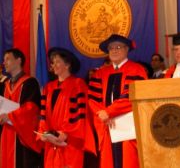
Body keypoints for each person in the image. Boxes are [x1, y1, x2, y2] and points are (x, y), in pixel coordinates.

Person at [88, 34, 148, 168]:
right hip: (107, 125)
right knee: (109, 161)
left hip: (128, 127)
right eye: (111, 48)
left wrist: (109, 112)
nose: (114, 50)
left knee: (129, 160)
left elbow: (131, 97)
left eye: (118, 47)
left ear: (127, 49)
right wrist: (101, 114)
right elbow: (93, 99)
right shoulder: (100, 73)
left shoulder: (136, 69)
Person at [38, 47, 91, 168]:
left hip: (70, 143)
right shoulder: (48, 88)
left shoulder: (78, 84)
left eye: (57, 62)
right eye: (52, 62)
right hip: (51, 143)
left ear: (67, 65)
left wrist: (67, 133)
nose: (53, 65)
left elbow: (81, 114)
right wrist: (42, 132)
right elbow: (43, 114)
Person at [0, 48, 42, 168]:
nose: (4, 63)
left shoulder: (30, 83)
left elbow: (32, 109)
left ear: (18, 60)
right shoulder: (4, 84)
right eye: (4, 60)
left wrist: (10, 116)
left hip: (22, 137)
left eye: (7, 59)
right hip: (6, 133)